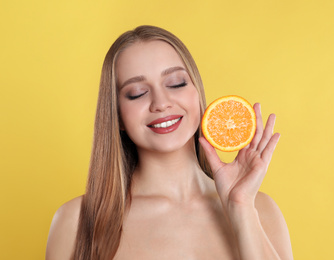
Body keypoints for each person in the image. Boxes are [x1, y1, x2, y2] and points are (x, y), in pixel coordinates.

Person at [46, 25, 293, 260]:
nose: (161, 102)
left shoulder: (259, 209)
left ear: (196, 92)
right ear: (117, 115)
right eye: (137, 93)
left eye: (176, 83)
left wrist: (241, 208)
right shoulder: (76, 221)